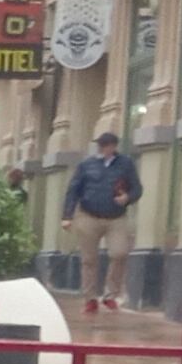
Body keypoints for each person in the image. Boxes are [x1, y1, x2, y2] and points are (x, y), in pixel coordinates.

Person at [62, 127, 144, 315]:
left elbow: (137, 189)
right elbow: (73, 190)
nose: (103, 149)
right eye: (100, 146)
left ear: (114, 147)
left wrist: (128, 198)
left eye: (106, 146)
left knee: (119, 253)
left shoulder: (126, 164)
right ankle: (90, 298)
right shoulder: (86, 165)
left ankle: (110, 295)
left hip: (116, 217)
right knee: (89, 259)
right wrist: (67, 216)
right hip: (88, 215)